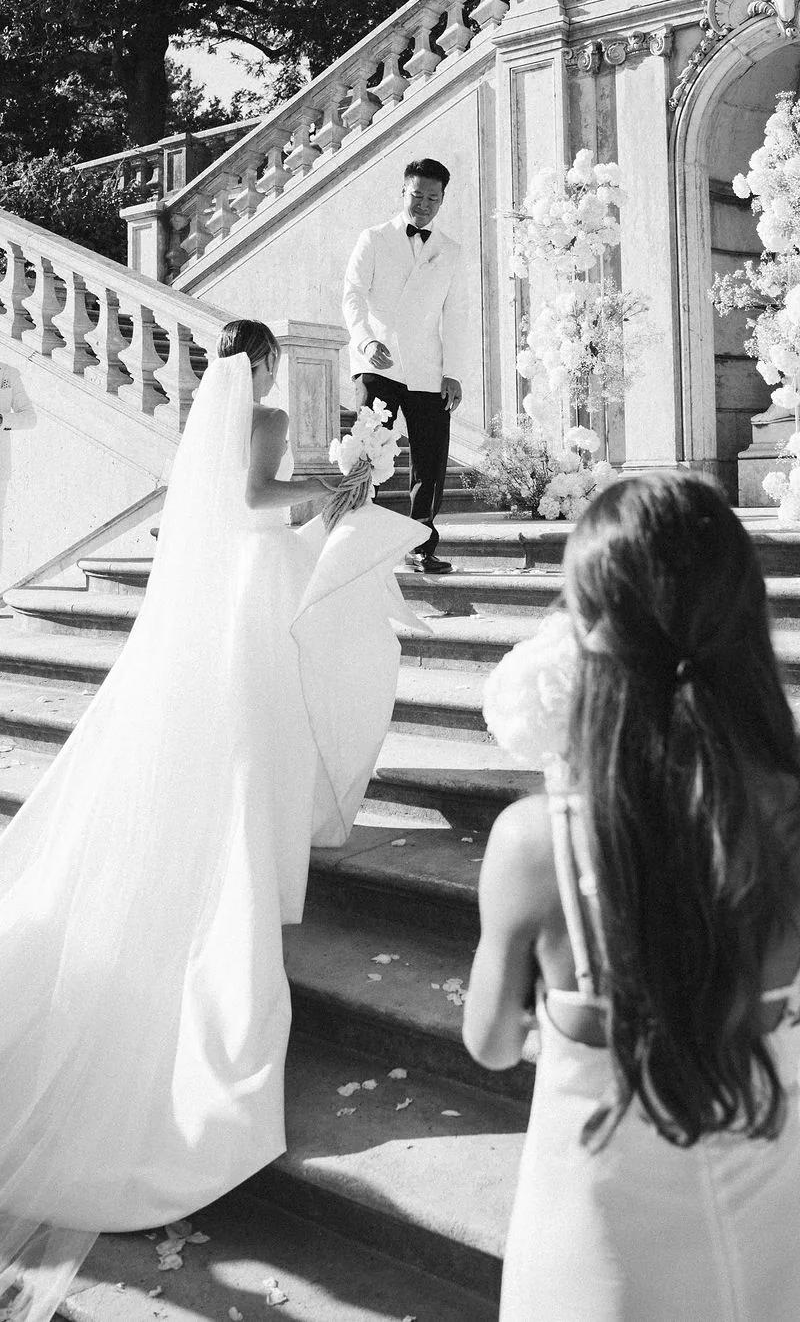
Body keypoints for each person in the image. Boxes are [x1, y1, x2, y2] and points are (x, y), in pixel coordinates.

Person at [0, 318, 424, 1322]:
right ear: (267, 363)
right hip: (253, 586)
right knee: (257, 733)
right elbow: (256, 502)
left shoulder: (211, 413)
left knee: (234, 736)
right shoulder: (268, 413)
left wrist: (326, 487)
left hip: (218, 594)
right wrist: (334, 488)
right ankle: (258, 861)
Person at [465, 472, 800, 1321]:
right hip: (776, 1218)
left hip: (595, 1245)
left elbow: (494, 1042)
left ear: (587, 631)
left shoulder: (536, 843)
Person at [342, 157, 467, 574]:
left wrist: (454, 371)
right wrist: (366, 339)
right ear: (403, 192)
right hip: (379, 363)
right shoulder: (375, 238)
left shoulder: (451, 250)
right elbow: (353, 295)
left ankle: (421, 546)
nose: (424, 204)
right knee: (365, 453)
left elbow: (457, 314)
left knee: (429, 463)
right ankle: (357, 541)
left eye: (433, 197)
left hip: (428, 370)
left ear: (442, 199)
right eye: (417, 195)